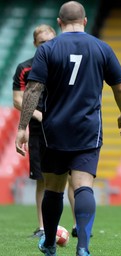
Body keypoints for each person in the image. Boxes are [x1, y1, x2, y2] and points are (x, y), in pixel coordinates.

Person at [15, 1, 121, 256]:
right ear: (85, 21)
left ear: (59, 22)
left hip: (54, 129)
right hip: (88, 129)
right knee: (83, 186)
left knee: (53, 187)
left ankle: (48, 243)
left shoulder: (48, 49)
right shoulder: (101, 47)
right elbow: (120, 87)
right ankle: (83, 247)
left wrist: (23, 126)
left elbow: (33, 89)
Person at [12, 24, 58, 238]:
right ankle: (42, 227)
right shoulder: (25, 68)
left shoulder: (63, 65)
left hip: (62, 126)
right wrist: (39, 115)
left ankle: (77, 226)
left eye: (50, 42)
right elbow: (17, 100)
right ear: (35, 45)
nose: (46, 46)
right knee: (41, 178)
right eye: (42, 43)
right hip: (39, 128)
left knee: (70, 175)